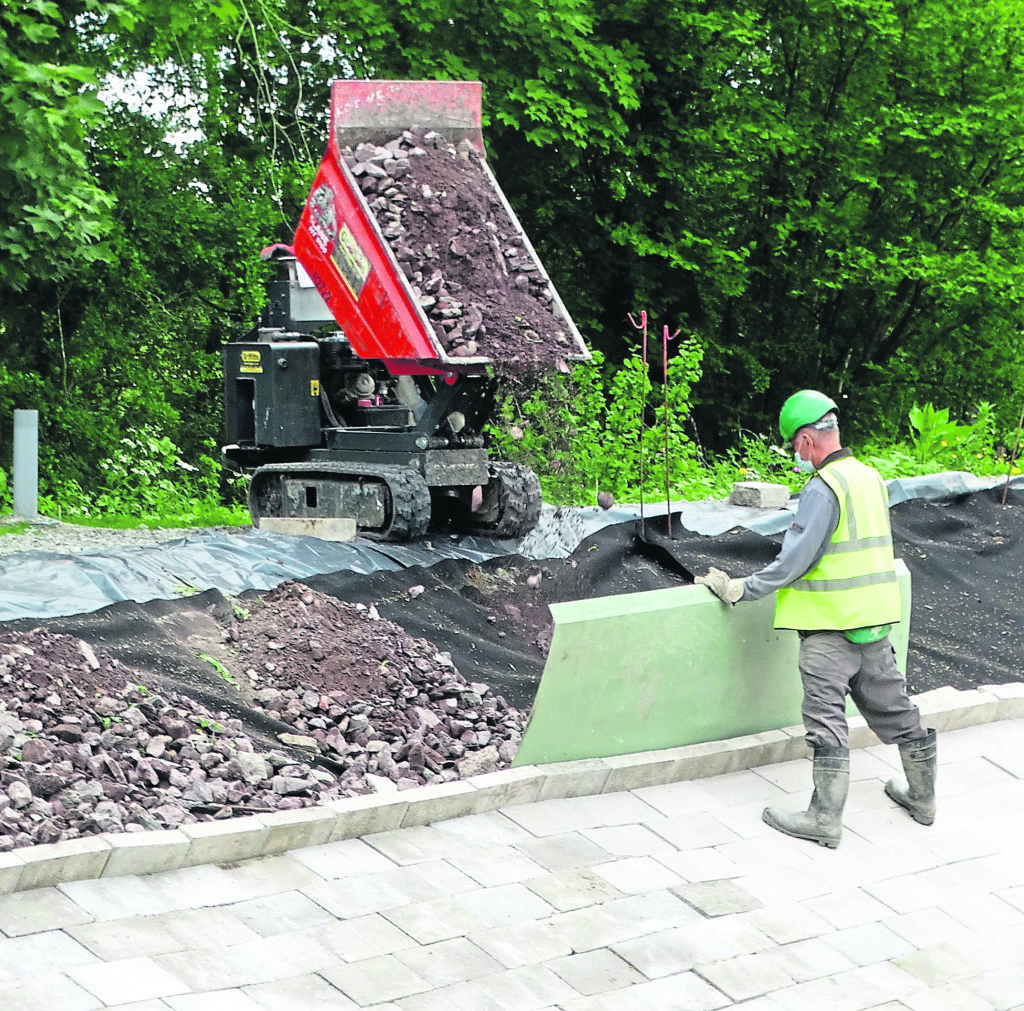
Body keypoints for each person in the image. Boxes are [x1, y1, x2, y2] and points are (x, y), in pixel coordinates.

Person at [695, 390, 937, 848]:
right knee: (894, 707)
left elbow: (794, 562)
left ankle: (825, 818)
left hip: (830, 628)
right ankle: (923, 799)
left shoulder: (824, 488)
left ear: (807, 440)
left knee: (825, 718)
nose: (795, 454)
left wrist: (742, 588)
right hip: (876, 623)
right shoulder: (868, 476)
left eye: (794, 445)